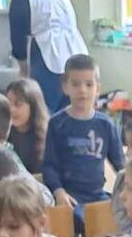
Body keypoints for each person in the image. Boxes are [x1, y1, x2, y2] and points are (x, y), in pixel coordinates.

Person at [0, 0, 88, 113]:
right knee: (74, 111)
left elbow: (17, 38)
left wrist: (23, 70)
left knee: (44, 112)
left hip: (48, 58)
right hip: (77, 53)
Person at [43, 55, 124, 218]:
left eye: (89, 84)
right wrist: (58, 191)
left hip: (97, 195)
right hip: (68, 197)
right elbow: (49, 165)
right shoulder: (57, 123)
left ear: (98, 89)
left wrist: (126, 191)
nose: (82, 90)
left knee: (118, 218)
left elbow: (121, 165)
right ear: (65, 87)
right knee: (77, 220)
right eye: (75, 84)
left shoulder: (106, 125)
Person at [5, 77, 49, 176]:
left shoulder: (48, 136)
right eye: (8, 104)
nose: (11, 109)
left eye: (18, 104)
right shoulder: (3, 134)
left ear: (33, 106)